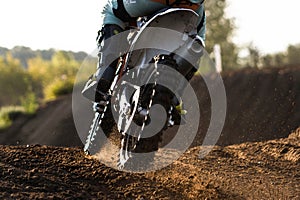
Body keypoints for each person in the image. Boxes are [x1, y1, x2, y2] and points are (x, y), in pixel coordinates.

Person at [82, 0, 206, 109]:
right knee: (196, 43)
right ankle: (175, 98)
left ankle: (104, 76)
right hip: (193, 6)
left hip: (154, 2)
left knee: (111, 9)